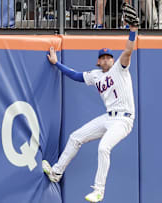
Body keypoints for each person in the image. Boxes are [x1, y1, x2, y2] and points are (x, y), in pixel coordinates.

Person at [42, 3, 138, 202]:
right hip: (108, 117)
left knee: (104, 148)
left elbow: (128, 51)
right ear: (98, 62)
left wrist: (133, 30)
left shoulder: (120, 68)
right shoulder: (95, 76)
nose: (106, 60)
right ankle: (56, 173)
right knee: (75, 137)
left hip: (124, 120)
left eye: (108, 57)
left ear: (112, 60)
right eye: (102, 58)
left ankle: (99, 190)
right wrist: (56, 63)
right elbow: (76, 76)